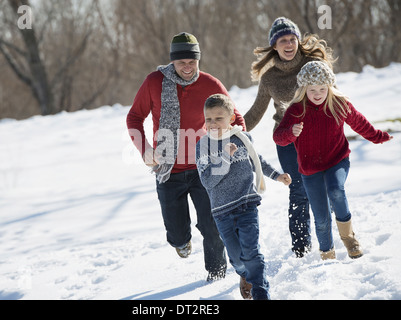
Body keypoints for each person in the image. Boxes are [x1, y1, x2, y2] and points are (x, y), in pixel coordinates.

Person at [126, 32, 246, 281]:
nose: (188, 68)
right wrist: (145, 149)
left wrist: (234, 143)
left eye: (193, 62)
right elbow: (134, 118)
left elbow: (236, 118)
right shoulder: (154, 83)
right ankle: (181, 242)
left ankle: (216, 277)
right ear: (172, 62)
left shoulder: (211, 84)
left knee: (212, 227)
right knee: (177, 233)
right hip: (168, 170)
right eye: (182, 63)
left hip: (206, 167)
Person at [273, 61, 393, 260]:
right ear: (304, 89)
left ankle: (350, 240)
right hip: (309, 168)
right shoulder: (296, 109)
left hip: (337, 160)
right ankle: (327, 253)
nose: (318, 93)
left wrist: (378, 136)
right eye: (312, 89)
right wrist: (291, 133)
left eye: (322, 88)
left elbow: (360, 123)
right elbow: (278, 137)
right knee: (320, 217)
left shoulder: (338, 104)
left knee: (336, 190)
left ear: (330, 87)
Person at [243, 17, 336, 258]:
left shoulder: (313, 64)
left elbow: (332, 95)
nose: (289, 44)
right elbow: (255, 112)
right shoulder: (270, 78)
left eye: (292, 39)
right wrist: (232, 130)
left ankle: (327, 240)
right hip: (286, 138)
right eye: (283, 40)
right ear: (274, 45)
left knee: (320, 186)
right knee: (297, 189)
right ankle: (301, 248)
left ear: (298, 41)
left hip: (316, 135)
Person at [196, 94, 292, 300]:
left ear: (231, 119)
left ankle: (260, 290)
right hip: (222, 211)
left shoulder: (243, 138)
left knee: (251, 253)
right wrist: (224, 158)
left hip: (247, 204)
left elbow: (258, 161)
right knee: (238, 259)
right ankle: (244, 275)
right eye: (208, 119)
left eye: (218, 118)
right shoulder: (203, 146)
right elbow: (207, 181)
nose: (213, 123)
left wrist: (277, 175)